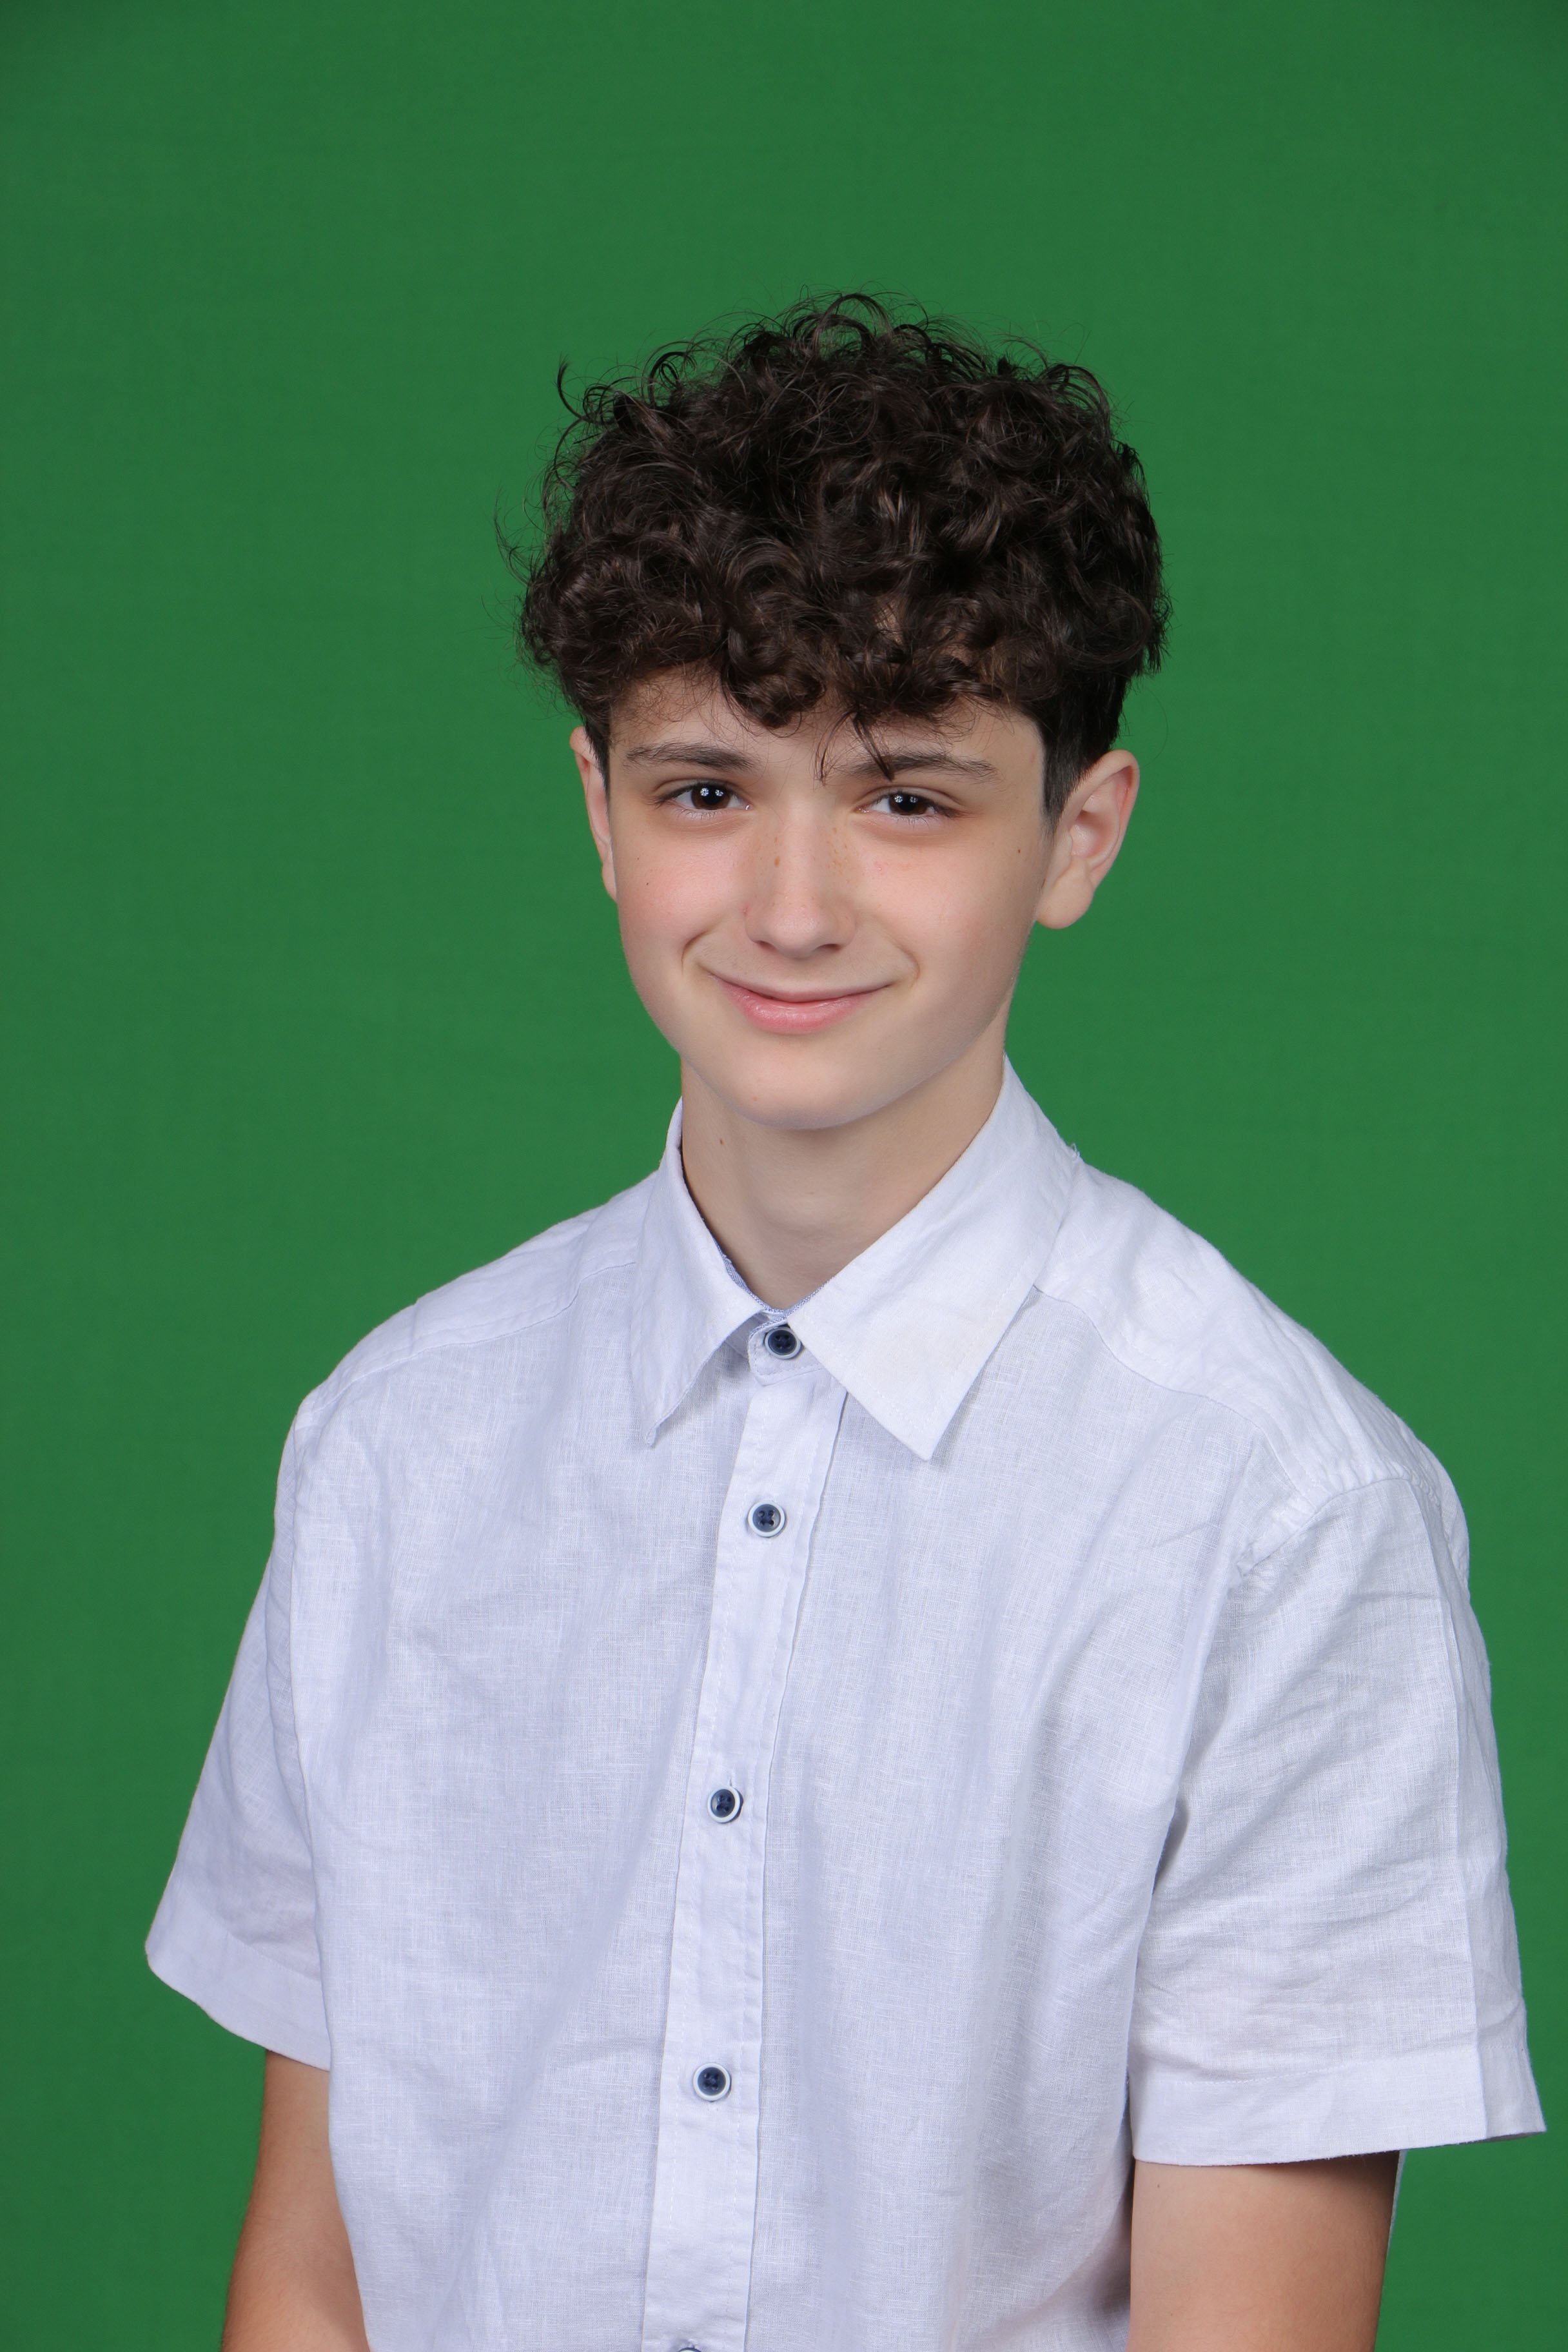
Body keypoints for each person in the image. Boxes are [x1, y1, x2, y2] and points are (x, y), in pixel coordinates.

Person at [148, 297, 1542, 2352]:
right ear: (598, 810)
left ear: (1078, 836)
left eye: (906, 800)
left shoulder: (1282, 1515)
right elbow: (314, 2270)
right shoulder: (395, 1446)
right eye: (708, 789)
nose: (793, 909)